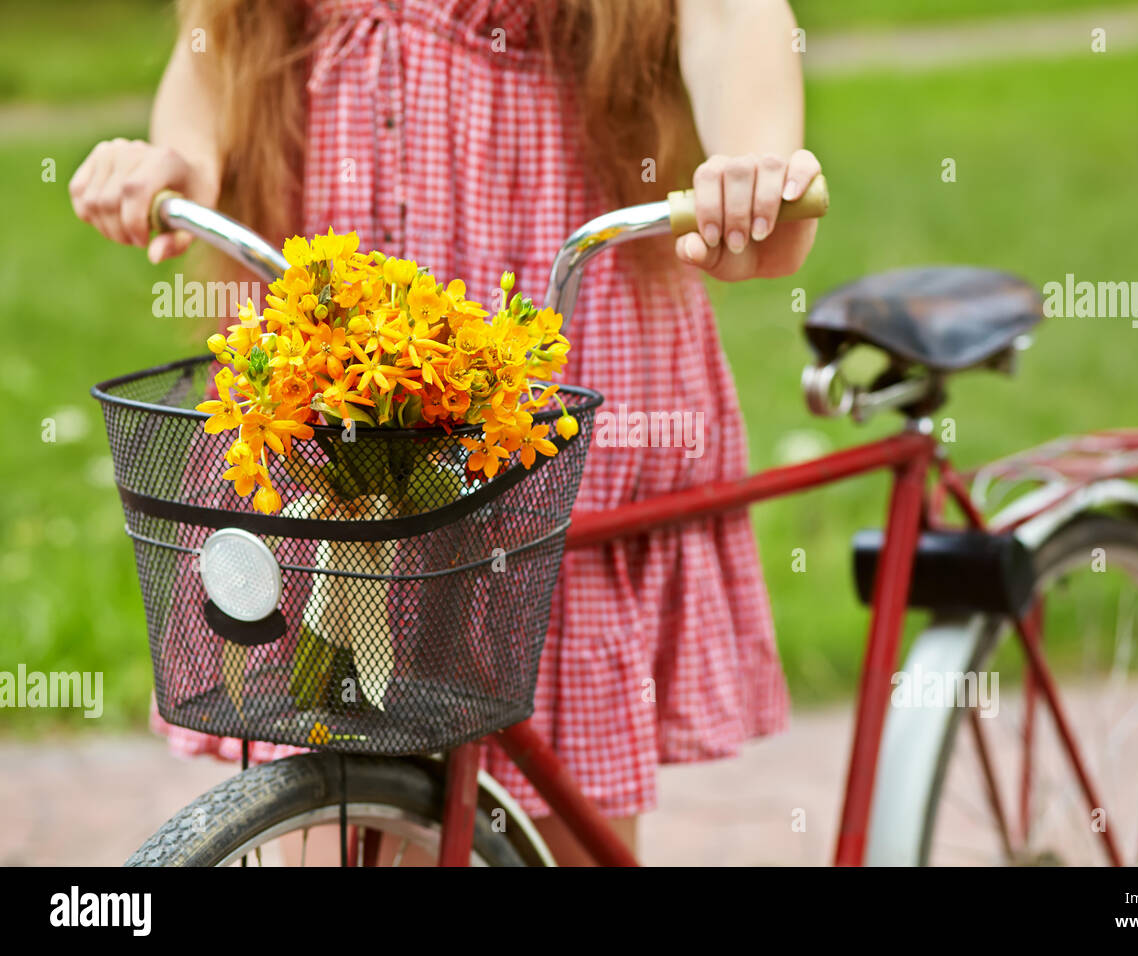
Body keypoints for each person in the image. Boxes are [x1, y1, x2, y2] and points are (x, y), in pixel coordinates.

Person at [70, 0, 821, 865]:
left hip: (541, 346)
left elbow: (724, 15)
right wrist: (181, 159)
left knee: (552, 779)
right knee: (332, 792)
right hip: (337, 388)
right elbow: (221, 42)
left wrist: (751, 161)